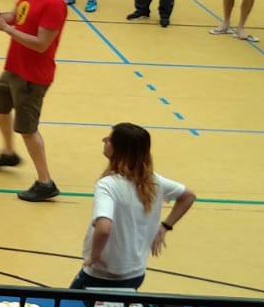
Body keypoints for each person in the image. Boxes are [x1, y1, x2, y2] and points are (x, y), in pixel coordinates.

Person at [0, 0, 68, 202]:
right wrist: (1, 17)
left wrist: (6, 29)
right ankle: (9, 153)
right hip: (14, 67)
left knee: (28, 130)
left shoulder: (54, 4)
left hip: (33, 76)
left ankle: (45, 182)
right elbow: (17, 15)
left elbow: (41, 44)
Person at [72, 123, 195, 290]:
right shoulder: (153, 181)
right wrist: (165, 226)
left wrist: (94, 256)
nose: (104, 140)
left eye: (110, 139)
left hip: (102, 274)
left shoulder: (108, 185)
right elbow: (188, 196)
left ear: (120, 150)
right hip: (136, 273)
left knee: (68, 305)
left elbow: (103, 228)